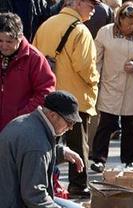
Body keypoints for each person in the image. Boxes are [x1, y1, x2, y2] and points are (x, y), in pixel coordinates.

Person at [0, 91, 90, 208]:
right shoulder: (37, 144)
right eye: (69, 122)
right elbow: (34, 195)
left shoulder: (27, 123)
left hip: (9, 205)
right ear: (53, 115)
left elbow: (28, 155)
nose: (70, 128)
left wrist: (61, 152)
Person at [33, 0, 101, 197]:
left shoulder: (46, 25)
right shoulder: (81, 30)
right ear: (78, 4)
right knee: (78, 144)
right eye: (91, 5)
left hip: (49, 96)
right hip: (74, 97)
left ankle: (45, 183)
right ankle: (78, 185)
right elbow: (86, 68)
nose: (94, 9)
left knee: (47, 143)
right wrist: (95, 81)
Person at [90, 1, 133, 173]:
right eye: (129, 23)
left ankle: (129, 160)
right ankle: (98, 159)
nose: (132, 27)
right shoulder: (105, 32)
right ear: (120, 19)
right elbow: (96, 59)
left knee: (132, 126)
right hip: (111, 83)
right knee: (106, 123)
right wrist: (93, 80)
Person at [0, 12, 55, 132]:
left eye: (9, 41)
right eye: (0, 40)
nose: (4, 46)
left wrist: (23, 116)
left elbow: (45, 92)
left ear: (20, 37)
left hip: (20, 127)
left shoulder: (35, 58)